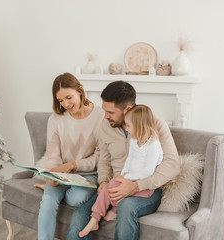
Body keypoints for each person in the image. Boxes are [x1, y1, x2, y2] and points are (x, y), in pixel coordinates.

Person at [67, 81, 180, 240]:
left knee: (126, 207)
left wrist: (136, 186)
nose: (106, 116)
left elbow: (172, 165)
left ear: (127, 110)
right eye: (104, 110)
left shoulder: (155, 124)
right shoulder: (106, 125)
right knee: (80, 215)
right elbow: (104, 160)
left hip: (147, 189)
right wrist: (104, 181)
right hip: (116, 185)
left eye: (111, 112)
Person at [78, 105, 163, 238]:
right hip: (129, 179)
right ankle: (95, 218)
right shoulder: (135, 140)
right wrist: (122, 175)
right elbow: (130, 159)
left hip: (145, 187)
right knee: (109, 186)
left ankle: (114, 210)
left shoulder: (153, 145)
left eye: (129, 126)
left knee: (119, 193)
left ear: (140, 126)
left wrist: (128, 177)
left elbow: (148, 171)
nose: (126, 129)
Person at [37, 72, 104, 240]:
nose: (66, 104)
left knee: (76, 199)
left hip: (88, 174)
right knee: (48, 202)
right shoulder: (56, 119)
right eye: (60, 100)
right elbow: (52, 154)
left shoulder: (100, 116)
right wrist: (53, 174)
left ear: (80, 90)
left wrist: (73, 165)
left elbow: (99, 157)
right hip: (62, 174)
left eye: (69, 97)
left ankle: (51, 189)